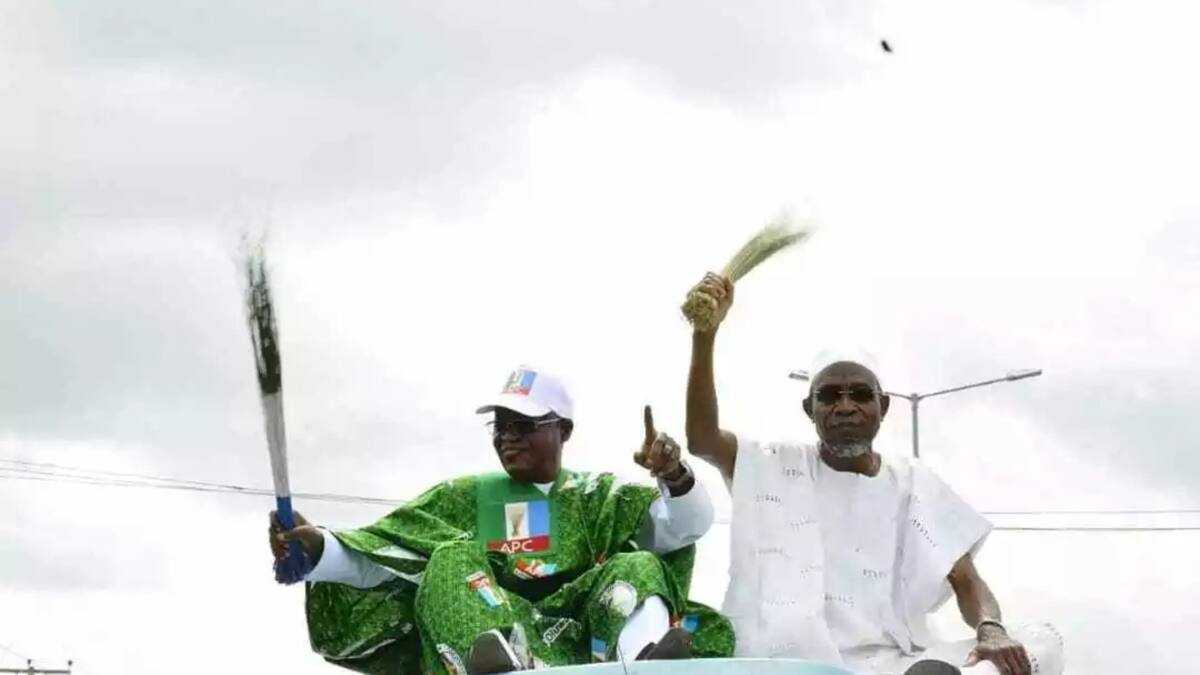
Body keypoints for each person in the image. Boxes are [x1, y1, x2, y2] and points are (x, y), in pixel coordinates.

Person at [680, 273, 1064, 675]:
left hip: (890, 664)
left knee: (1039, 639)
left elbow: (967, 580)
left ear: (883, 406)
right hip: (789, 663)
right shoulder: (774, 465)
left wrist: (991, 629)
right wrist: (705, 335)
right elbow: (702, 439)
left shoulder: (912, 482)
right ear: (810, 409)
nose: (845, 406)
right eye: (830, 395)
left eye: (860, 395)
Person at [269, 366, 734, 674]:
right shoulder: (465, 498)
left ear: (564, 430)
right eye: (501, 427)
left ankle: (646, 666)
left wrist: (673, 473)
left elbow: (686, 526)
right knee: (448, 560)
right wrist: (318, 550)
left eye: (523, 425)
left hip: (588, 646)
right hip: (502, 643)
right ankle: (500, 668)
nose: (508, 437)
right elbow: (386, 555)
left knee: (641, 566)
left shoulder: (599, 497)